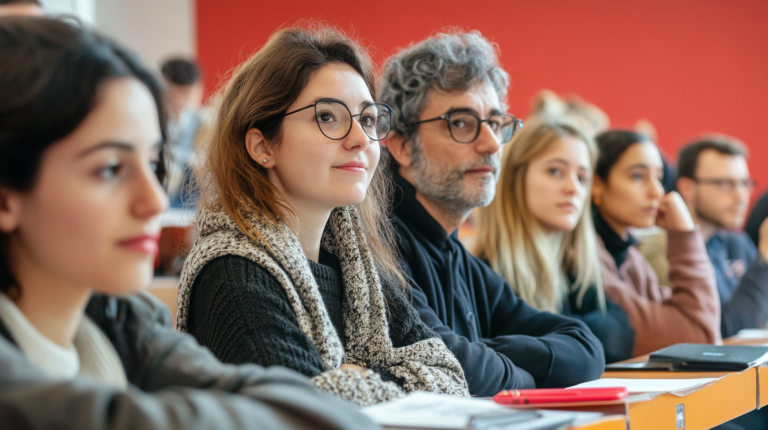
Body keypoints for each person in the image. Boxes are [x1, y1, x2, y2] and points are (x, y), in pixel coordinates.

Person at [0, 17, 377, 430]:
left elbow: (313, 407)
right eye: (109, 169)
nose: (155, 201)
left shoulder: (122, 320)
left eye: (152, 163)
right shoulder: (231, 274)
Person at [175, 26, 468, 407]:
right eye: (328, 117)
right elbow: (309, 411)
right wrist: (394, 380)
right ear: (263, 145)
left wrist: (357, 378)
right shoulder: (234, 275)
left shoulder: (360, 269)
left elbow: (451, 377)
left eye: (366, 119)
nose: (361, 138)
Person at [379, 31, 604, 397]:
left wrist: (490, 356)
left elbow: (586, 349)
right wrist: (520, 375)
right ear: (403, 146)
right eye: (461, 123)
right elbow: (450, 365)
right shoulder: (376, 242)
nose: (491, 144)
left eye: (496, 123)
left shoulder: (457, 255)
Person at [474, 119, 634, 363]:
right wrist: (579, 339)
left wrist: (569, 339)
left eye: (582, 178)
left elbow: (620, 335)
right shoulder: (485, 273)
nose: (573, 188)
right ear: (515, 178)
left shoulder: (572, 267)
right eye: (555, 171)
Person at [591, 130, 720, 356]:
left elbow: (705, 330)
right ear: (597, 184)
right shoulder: (584, 259)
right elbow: (699, 338)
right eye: (638, 176)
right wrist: (684, 236)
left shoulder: (631, 258)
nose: (657, 192)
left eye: (659, 177)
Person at [675, 136, 768, 337]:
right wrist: (765, 258)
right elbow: (723, 333)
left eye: (745, 183)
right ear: (687, 188)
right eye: (726, 183)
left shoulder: (737, 242)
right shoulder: (671, 251)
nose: (740, 195)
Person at [160, 57, 203, 207]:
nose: (179, 101)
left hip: (190, 197)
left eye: (186, 94)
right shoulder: (151, 120)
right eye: (173, 94)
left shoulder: (200, 121)